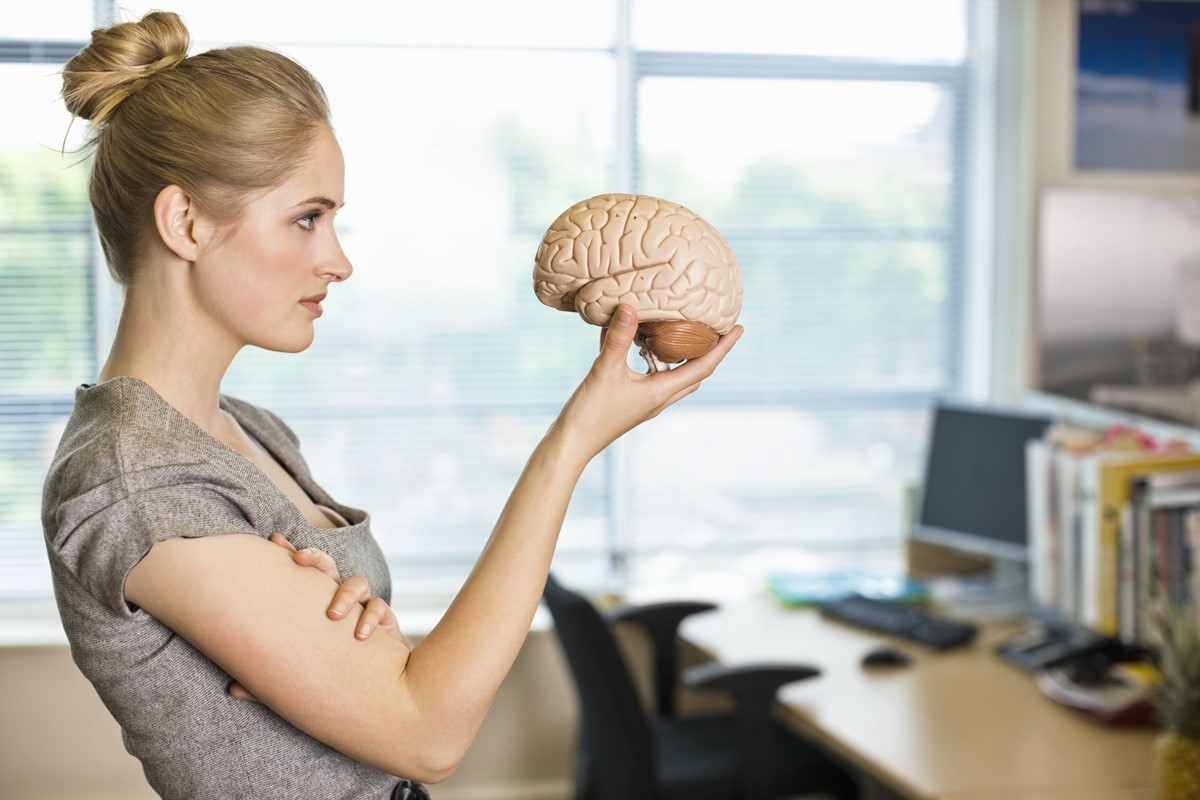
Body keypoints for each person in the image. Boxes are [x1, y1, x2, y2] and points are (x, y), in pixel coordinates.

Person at [40, 9, 741, 800]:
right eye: (307, 218)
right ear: (185, 221)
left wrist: (351, 639)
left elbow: (386, 687)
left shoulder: (250, 430)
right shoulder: (137, 480)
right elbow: (426, 733)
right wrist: (573, 440)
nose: (337, 261)